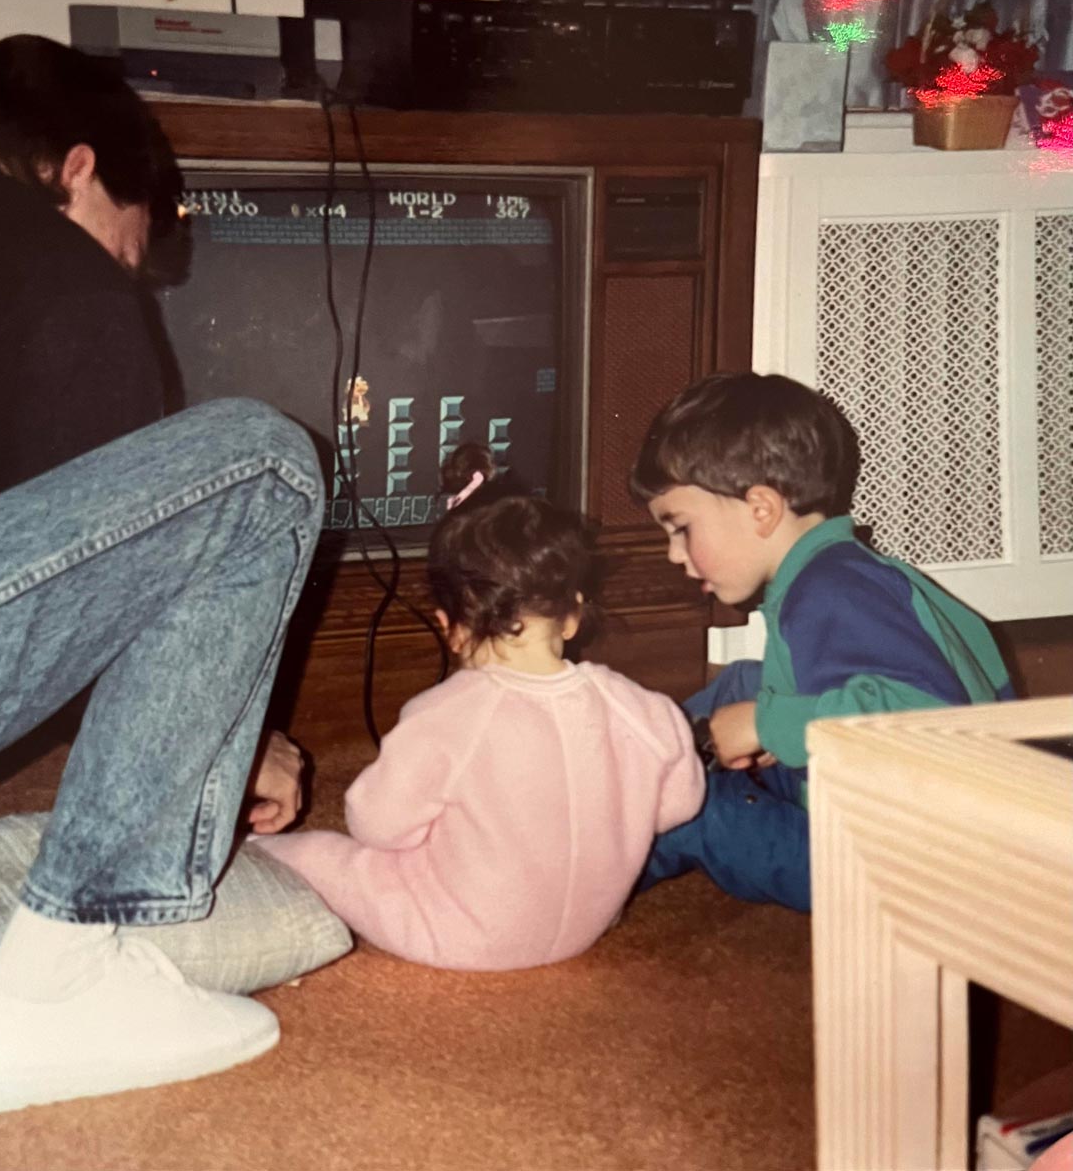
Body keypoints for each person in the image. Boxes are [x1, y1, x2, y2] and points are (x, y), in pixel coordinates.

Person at [0, 35, 323, 1112]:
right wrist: (236, 728)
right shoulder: (46, 264)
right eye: (127, 251)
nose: (123, 281)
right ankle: (66, 977)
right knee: (264, 467)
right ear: (74, 169)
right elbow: (125, 596)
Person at [250, 445, 706, 971]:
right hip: (588, 926)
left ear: (451, 628)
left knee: (318, 854)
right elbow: (679, 804)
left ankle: (247, 863)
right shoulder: (641, 707)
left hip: (461, 935)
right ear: (573, 616)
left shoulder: (446, 715)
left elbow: (375, 827)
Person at [628, 371, 1014, 913]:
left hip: (914, 866)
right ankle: (624, 764)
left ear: (761, 508)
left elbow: (921, 722)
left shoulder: (831, 591)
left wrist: (766, 724)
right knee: (743, 683)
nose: (674, 553)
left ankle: (582, 868)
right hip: (908, 816)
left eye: (681, 527)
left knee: (697, 807)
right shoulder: (840, 575)